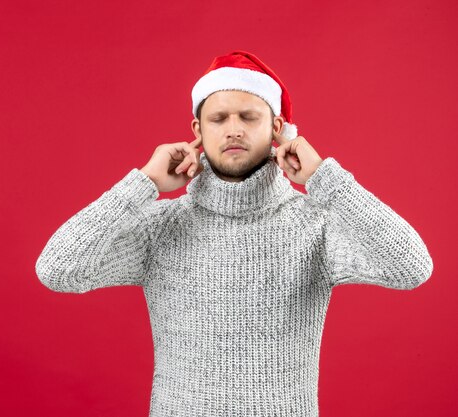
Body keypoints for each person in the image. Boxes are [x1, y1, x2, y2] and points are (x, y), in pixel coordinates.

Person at [35, 50, 433, 417]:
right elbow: (58, 269)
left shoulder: (315, 225)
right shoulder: (161, 227)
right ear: (197, 129)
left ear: (278, 128)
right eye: (219, 118)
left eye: (249, 116)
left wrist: (325, 179)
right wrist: (142, 184)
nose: (234, 130)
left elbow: (410, 266)